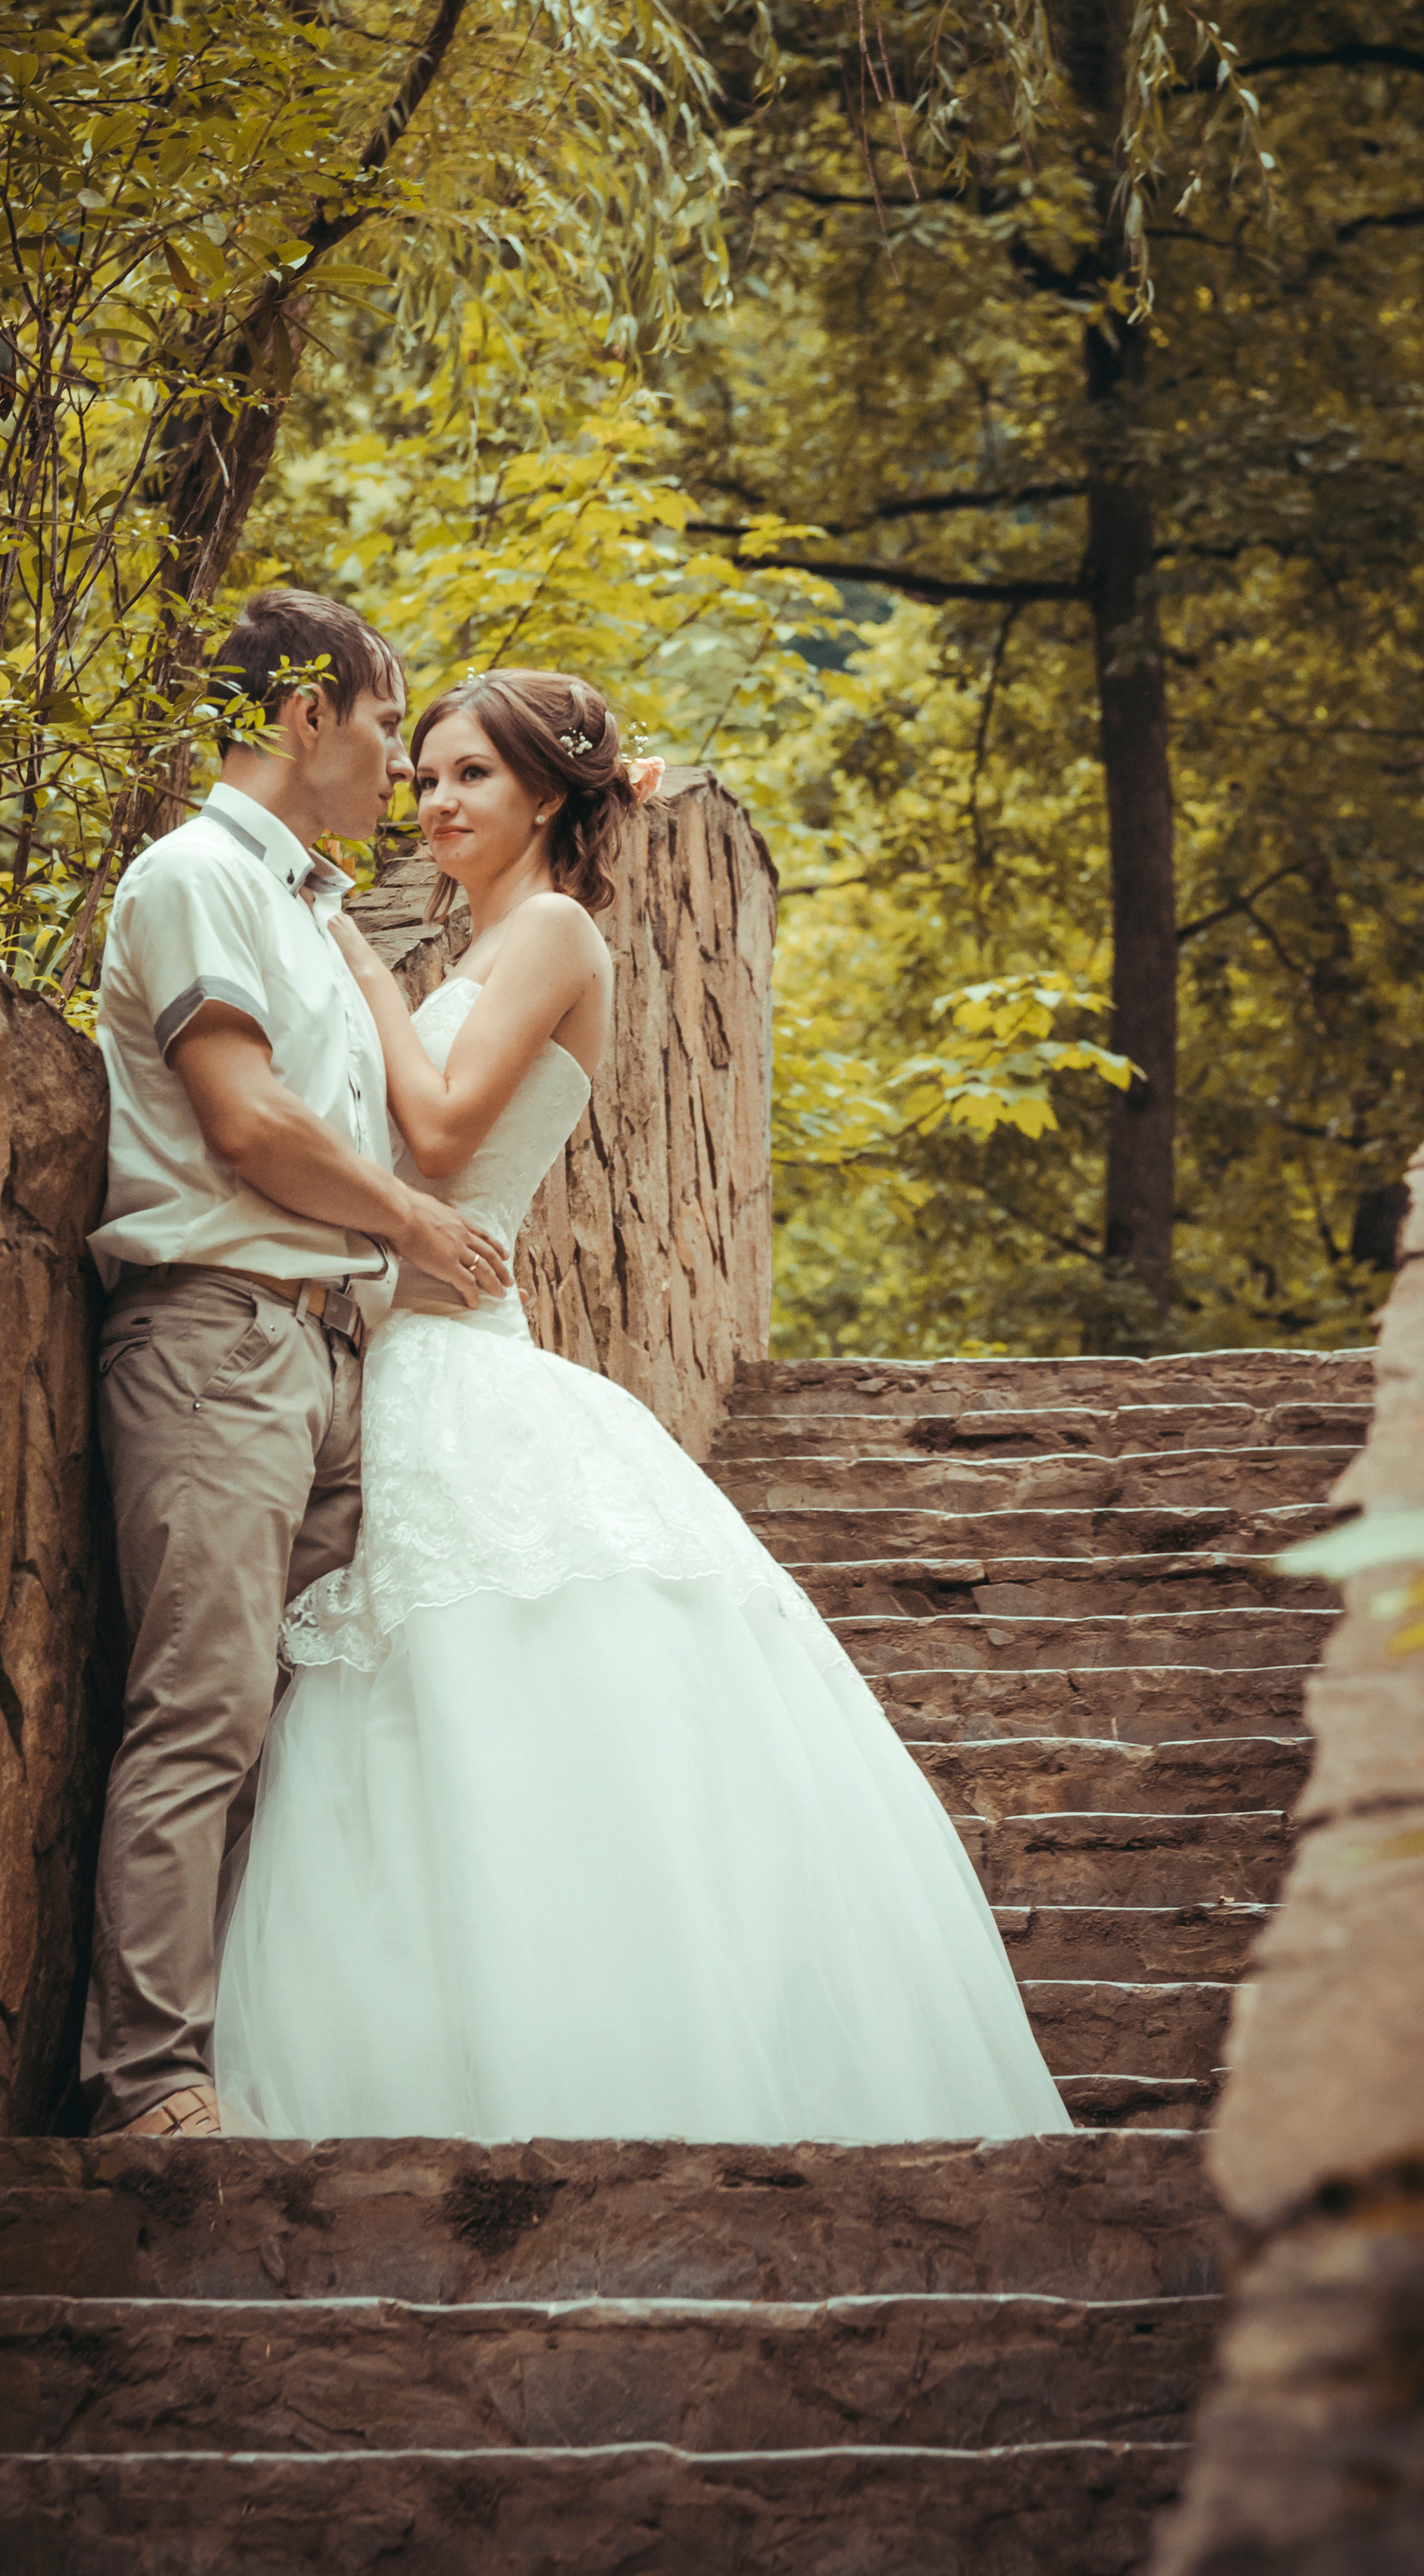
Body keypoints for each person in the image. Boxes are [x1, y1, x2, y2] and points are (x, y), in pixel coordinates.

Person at [214, 670, 1073, 2146]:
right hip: (402, 1354)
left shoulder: (550, 931)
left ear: (548, 796)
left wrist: (351, 958)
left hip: (462, 1361)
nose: (434, 804)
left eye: (471, 776)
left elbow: (434, 1130)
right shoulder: (488, 944)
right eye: (422, 777)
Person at [80, 589, 510, 2140]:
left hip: (325, 1360)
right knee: (202, 1710)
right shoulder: (197, 877)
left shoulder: (307, 909)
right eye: (392, 724)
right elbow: (248, 1124)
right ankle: (148, 2086)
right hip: (219, 1345)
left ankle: (262, 2059)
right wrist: (412, 1223)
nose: (401, 764)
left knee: (304, 1722)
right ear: (304, 712)